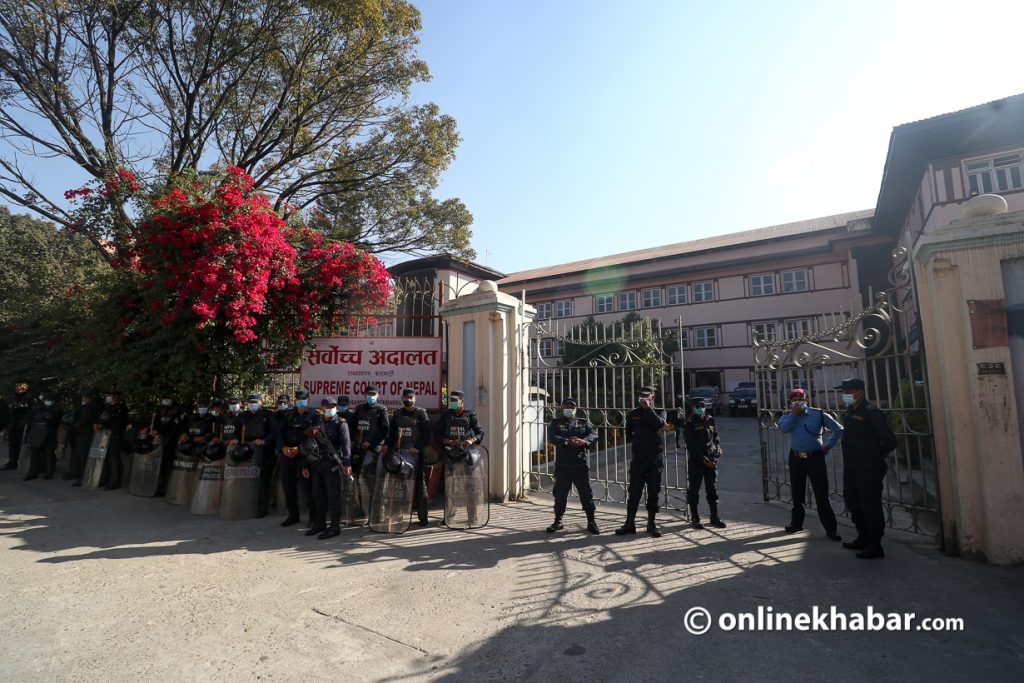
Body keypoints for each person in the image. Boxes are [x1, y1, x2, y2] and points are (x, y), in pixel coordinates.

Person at [837, 378, 898, 560]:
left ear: (859, 391)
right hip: (852, 465)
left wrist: (873, 455)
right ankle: (862, 536)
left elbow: (890, 440)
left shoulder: (871, 412)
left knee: (870, 504)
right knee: (852, 501)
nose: (844, 394)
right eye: (843, 391)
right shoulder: (851, 411)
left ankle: (875, 544)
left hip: (869, 467)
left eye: (847, 391)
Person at [779, 388, 843, 540]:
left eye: (800, 399)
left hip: (814, 458)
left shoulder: (818, 414)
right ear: (790, 402)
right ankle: (796, 524)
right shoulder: (788, 416)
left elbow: (838, 429)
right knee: (797, 493)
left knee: (821, 494)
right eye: (794, 400)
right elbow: (783, 429)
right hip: (795, 459)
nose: (797, 402)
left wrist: (828, 445)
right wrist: (794, 413)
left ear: (806, 400)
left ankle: (831, 528)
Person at [615, 386, 668, 538]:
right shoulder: (633, 414)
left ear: (653, 397)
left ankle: (651, 523)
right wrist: (639, 442)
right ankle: (629, 523)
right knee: (634, 491)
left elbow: (659, 424)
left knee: (653, 491)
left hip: (654, 459)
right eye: (641, 396)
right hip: (638, 458)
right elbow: (628, 433)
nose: (643, 398)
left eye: (647, 396)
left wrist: (648, 409)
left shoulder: (660, 411)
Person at [545, 397, 600, 534]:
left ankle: (591, 521)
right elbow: (552, 437)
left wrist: (584, 441)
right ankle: (558, 521)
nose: (569, 407)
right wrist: (566, 441)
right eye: (566, 405)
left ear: (576, 407)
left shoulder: (583, 422)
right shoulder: (556, 423)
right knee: (560, 494)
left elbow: (594, 434)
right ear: (562, 407)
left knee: (586, 494)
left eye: (572, 405)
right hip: (563, 465)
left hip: (579, 465)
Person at [385, 387, 432, 527]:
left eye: (411, 398)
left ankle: (423, 517)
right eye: (406, 398)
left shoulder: (421, 413)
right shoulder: (398, 414)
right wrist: (387, 446)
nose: (408, 400)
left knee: (419, 484)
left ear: (415, 399)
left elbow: (426, 434)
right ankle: (397, 514)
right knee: (399, 484)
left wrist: (417, 448)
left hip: (415, 454)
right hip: (400, 454)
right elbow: (392, 434)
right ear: (402, 399)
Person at [305, 398, 351, 538]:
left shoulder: (340, 423)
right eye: (327, 406)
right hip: (317, 463)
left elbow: (346, 445)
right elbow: (309, 445)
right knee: (317, 495)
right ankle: (320, 523)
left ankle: (334, 526)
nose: (330, 408)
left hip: (332, 464)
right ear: (322, 408)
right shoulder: (317, 423)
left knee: (334, 496)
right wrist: (305, 465)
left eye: (333, 406)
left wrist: (347, 464)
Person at [277, 389, 322, 528]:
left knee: (309, 489)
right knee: (288, 486)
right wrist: (283, 448)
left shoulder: (315, 416)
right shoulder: (289, 415)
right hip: (287, 455)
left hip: (305, 457)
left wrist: (299, 449)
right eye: (298, 399)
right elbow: (280, 433)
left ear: (308, 400)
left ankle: (313, 517)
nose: (300, 401)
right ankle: (293, 515)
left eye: (303, 399)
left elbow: (314, 437)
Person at [683, 397, 727, 530]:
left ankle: (714, 515)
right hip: (697, 460)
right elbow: (691, 446)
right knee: (694, 489)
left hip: (711, 458)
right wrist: (703, 460)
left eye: (702, 405)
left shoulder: (709, 419)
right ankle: (695, 517)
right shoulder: (690, 423)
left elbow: (715, 436)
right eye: (698, 406)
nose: (701, 408)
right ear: (692, 408)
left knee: (712, 488)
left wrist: (718, 448)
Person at [23, 391, 62, 480]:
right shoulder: (37, 408)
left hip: (49, 433)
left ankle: (48, 473)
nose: (48, 401)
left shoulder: (56, 409)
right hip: (36, 433)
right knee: (35, 453)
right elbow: (28, 418)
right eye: (46, 400)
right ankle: (33, 472)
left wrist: (51, 418)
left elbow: (58, 420)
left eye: (50, 400)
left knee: (49, 453)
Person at [67, 389, 100, 486]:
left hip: (85, 434)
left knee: (83, 457)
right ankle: (80, 475)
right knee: (81, 456)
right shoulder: (88, 407)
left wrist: (75, 425)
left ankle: (83, 477)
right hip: (84, 434)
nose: (84, 399)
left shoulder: (90, 408)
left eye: (85, 397)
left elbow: (84, 420)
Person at [152, 395, 184, 496]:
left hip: (171, 440)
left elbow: (174, 427)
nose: (165, 400)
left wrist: (159, 431)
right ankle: (158, 486)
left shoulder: (177, 411)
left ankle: (165, 488)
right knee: (159, 463)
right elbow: (156, 424)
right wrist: (154, 432)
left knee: (167, 464)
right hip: (160, 439)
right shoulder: (161, 410)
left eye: (168, 398)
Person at [98, 391, 129, 490]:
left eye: (112, 395)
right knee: (106, 457)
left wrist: (110, 428)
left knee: (114, 458)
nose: (110, 397)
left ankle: (115, 481)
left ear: (118, 397)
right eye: (109, 395)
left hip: (115, 435)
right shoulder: (108, 407)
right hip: (106, 434)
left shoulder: (121, 408)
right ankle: (105, 479)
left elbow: (120, 423)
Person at [2, 382, 32, 470]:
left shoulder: (29, 397)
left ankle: (24, 462)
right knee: (13, 443)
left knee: (22, 443)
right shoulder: (14, 397)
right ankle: (12, 462)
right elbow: (10, 409)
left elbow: (29, 409)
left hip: (23, 423)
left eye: (22, 387)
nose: (19, 389)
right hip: (14, 423)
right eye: (18, 387)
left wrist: (20, 407)